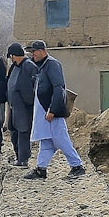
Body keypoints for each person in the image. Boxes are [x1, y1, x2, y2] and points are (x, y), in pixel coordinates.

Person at [22, 40, 86, 179]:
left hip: (50, 112)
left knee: (61, 139)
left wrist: (53, 109)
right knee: (47, 141)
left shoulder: (52, 64)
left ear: (41, 51)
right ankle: (41, 168)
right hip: (44, 112)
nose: (32, 56)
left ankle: (77, 166)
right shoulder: (42, 66)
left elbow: (59, 88)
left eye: (33, 52)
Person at [5, 42, 37, 167]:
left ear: (13, 55)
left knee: (23, 131)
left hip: (24, 106)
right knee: (13, 131)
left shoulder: (29, 66)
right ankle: (18, 155)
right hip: (14, 105)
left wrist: (28, 101)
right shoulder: (15, 66)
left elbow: (32, 86)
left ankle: (23, 159)